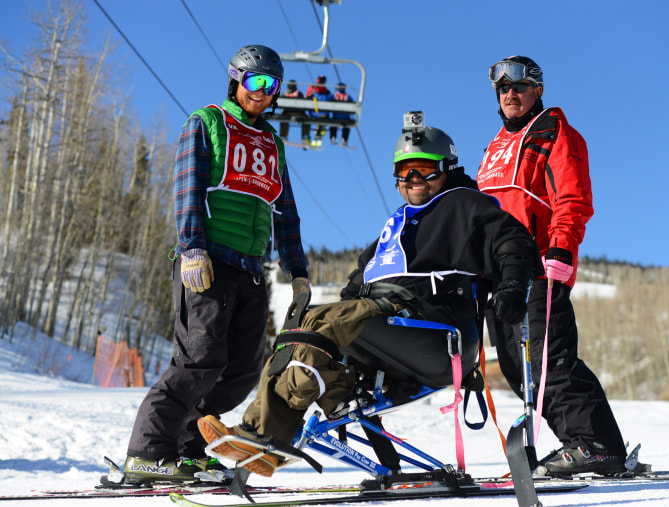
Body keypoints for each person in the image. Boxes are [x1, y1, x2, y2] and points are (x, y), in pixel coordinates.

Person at [196, 114, 542, 478]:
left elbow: (513, 242)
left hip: (439, 334)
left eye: (423, 171)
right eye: (404, 173)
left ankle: (263, 435)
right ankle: (287, 428)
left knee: (322, 322)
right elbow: (358, 280)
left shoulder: (465, 205)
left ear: (445, 168)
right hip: (391, 327)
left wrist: (513, 286)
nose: (413, 181)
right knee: (303, 323)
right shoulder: (400, 222)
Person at [123, 44, 311, 484]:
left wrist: (297, 270)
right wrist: (191, 248)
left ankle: (189, 449)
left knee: (244, 367)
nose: (262, 92)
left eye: (272, 85)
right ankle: (147, 453)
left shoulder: (273, 144)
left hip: (250, 268)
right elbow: (186, 187)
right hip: (207, 262)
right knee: (199, 360)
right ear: (236, 80)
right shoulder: (207, 122)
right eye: (254, 82)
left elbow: (285, 212)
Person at [476, 55, 627, 476]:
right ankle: (585, 445)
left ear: (537, 89)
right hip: (498, 278)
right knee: (516, 368)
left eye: (519, 87)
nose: (510, 94)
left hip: (538, 268)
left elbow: (573, 198)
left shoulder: (553, 132)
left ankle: (596, 444)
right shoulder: (493, 148)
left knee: (549, 363)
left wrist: (560, 249)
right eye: (503, 88)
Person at [304, 74, 332, 147]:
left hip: (315, 112)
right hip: (321, 113)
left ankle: (309, 136)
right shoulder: (324, 92)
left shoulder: (314, 89)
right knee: (322, 121)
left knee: (309, 120)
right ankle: (317, 135)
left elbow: (307, 97)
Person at [278, 80, 309, 144]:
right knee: (306, 120)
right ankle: (305, 136)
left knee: (283, 119)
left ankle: (283, 135)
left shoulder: (285, 94)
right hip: (296, 112)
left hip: (289, 112)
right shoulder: (298, 94)